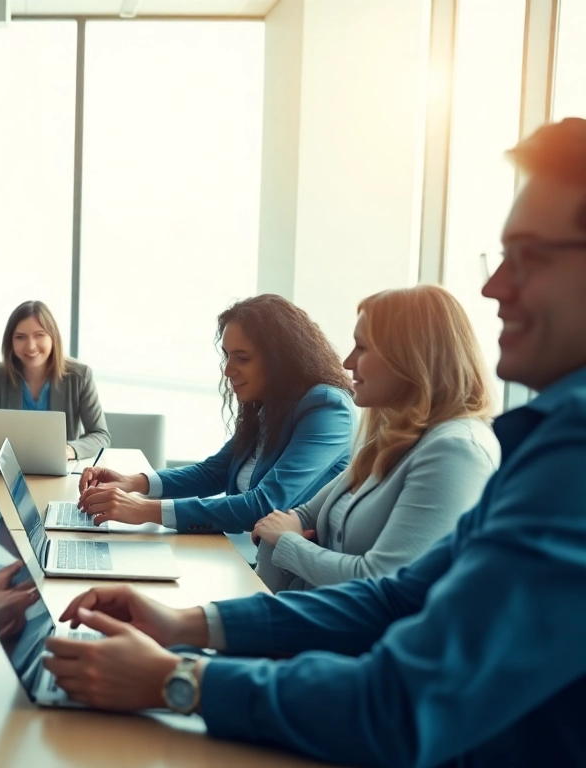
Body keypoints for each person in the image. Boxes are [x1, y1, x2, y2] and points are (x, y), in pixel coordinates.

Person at [41, 118, 586, 767]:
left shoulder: (555, 454)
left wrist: (177, 679)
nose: (495, 287)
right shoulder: (516, 442)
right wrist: (187, 624)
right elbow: (397, 596)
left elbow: (401, 703)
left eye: (528, 256)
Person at [253, 285, 499, 591]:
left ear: (410, 357)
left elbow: (384, 580)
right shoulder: (393, 438)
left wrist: (288, 542)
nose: (347, 362)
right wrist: (283, 538)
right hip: (302, 618)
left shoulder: (457, 450)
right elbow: (300, 517)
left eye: (362, 347)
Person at [78, 295, 355, 533]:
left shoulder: (326, 408)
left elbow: (265, 504)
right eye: (228, 356)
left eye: (242, 358)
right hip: (242, 550)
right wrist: (134, 482)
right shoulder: (270, 405)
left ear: (281, 359)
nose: (228, 370)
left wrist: (146, 510)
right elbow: (213, 472)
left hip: (281, 569)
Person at [0, 300, 109, 460]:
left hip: (60, 472)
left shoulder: (80, 376)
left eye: (39, 335)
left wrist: (70, 450)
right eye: (20, 337)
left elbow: (100, 435)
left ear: (53, 337)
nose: (31, 346)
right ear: (10, 342)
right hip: (9, 472)